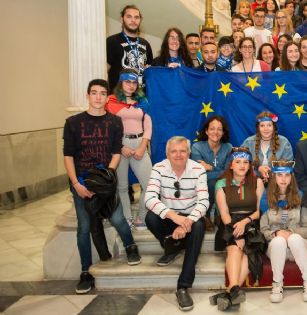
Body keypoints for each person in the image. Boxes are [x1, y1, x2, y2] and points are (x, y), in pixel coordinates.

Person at [63, 79, 141, 295]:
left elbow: (116, 152)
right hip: (81, 184)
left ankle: (130, 246)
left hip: (105, 183)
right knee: (84, 227)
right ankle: (86, 271)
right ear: (87, 96)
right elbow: (68, 156)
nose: (98, 97)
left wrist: (107, 177)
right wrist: (77, 184)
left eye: (102, 93)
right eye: (94, 93)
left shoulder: (115, 122)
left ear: (108, 98)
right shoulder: (73, 122)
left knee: (117, 219)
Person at [144, 136, 208, 311]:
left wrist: (186, 222)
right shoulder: (158, 168)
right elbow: (149, 199)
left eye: (182, 151)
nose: (178, 155)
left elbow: (203, 202)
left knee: (200, 225)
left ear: (189, 152)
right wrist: (174, 217)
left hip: (190, 218)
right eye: (174, 151)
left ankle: (183, 286)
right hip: (170, 217)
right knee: (150, 217)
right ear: (167, 153)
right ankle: (174, 244)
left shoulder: (198, 169)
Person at [213, 147, 265, 311]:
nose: (242, 165)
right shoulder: (221, 184)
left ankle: (230, 292)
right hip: (230, 222)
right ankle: (235, 289)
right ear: (231, 165)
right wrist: (235, 229)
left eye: (246, 162)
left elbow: (259, 210)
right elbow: (224, 213)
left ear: (250, 165)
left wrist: (245, 223)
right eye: (238, 162)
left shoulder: (257, 182)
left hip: (252, 221)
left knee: (249, 252)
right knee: (235, 250)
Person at [260, 161, 307, 303]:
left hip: (298, 245)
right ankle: (277, 283)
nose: (283, 179)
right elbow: (263, 229)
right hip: (276, 248)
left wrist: (291, 232)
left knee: (294, 239)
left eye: (287, 175)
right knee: (279, 241)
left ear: (292, 177)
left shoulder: (301, 196)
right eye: (279, 175)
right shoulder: (265, 198)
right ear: (274, 177)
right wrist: (277, 233)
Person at [105, 70, 152, 230]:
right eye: (127, 82)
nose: (131, 86)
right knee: (122, 186)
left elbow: (148, 126)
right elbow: (108, 128)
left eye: (134, 83)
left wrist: (142, 146)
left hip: (139, 143)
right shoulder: (111, 102)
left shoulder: (142, 101)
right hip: (119, 145)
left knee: (150, 183)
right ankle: (127, 217)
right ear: (121, 82)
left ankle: (142, 217)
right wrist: (120, 146)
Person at [191, 115, 233, 220]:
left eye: (219, 129)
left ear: (223, 133)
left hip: (224, 183)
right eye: (212, 129)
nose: (216, 132)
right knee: (211, 183)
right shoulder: (197, 147)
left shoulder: (228, 147)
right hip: (201, 183)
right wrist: (219, 172)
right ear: (206, 131)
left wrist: (210, 169)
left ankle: (220, 215)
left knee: (218, 182)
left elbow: (228, 173)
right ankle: (206, 216)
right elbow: (198, 174)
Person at [106, 5, 153, 91]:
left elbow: (149, 72)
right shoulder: (111, 41)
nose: (133, 20)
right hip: (118, 98)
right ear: (122, 19)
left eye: (136, 17)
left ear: (140, 20)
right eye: (129, 17)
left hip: (141, 97)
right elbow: (104, 70)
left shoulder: (146, 44)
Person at [241, 112, 294, 181]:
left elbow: (288, 167)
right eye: (262, 126)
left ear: (274, 127)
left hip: (278, 182)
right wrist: (258, 169)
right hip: (253, 181)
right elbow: (240, 164)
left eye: (269, 125)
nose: (266, 129)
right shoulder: (248, 142)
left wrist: (271, 172)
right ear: (258, 128)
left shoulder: (284, 143)